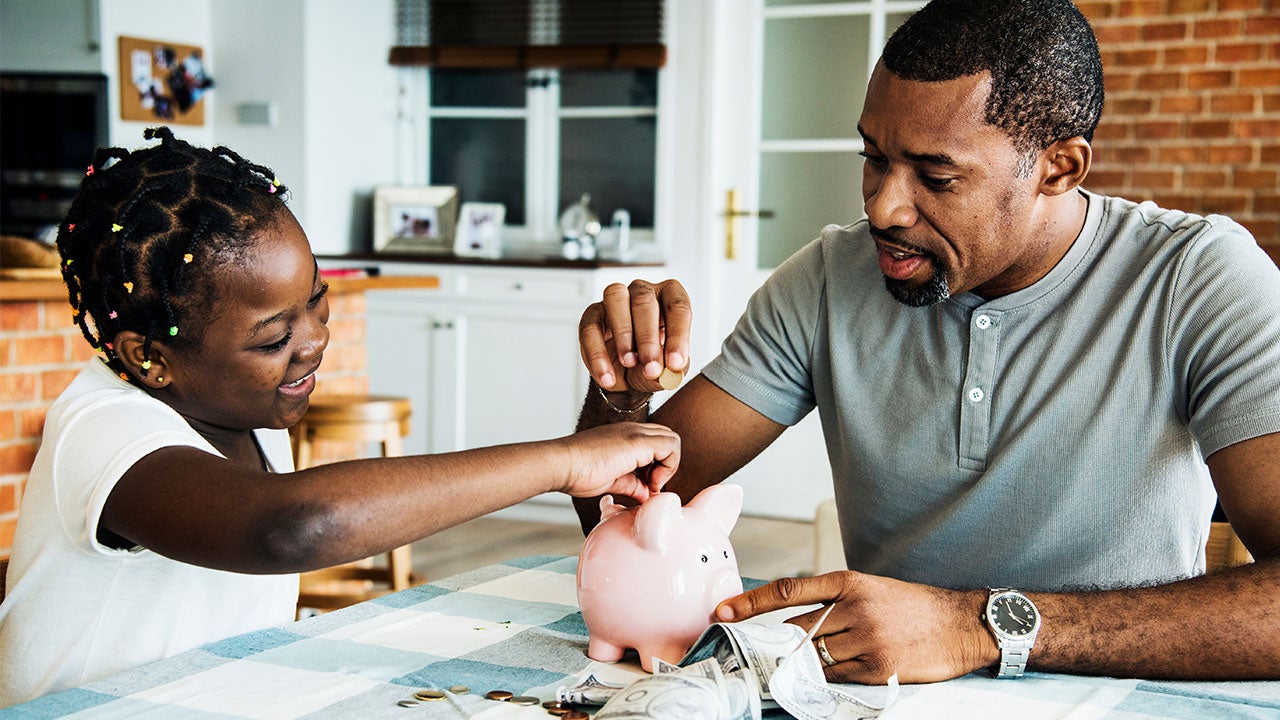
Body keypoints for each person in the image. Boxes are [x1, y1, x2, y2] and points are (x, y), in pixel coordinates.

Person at [574, 0, 1280, 684]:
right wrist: (620, 397)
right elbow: (625, 519)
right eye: (874, 158)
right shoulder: (827, 278)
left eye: (936, 176)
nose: (882, 206)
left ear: (1059, 168)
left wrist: (980, 627)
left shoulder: (1198, 279)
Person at [0, 127, 681, 706]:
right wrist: (561, 462)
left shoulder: (243, 411)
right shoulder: (102, 427)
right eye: (273, 337)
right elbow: (293, 526)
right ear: (150, 358)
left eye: (317, 301)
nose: (315, 338)